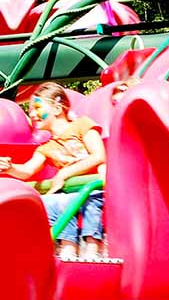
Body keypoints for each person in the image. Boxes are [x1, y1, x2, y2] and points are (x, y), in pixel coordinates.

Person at [0, 82, 106, 259]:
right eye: (30, 110)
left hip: (94, 189)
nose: (32, 114)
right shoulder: (46, 148)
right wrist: (10, 168)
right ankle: (68, 247)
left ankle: (94, 248)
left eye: (37, 108)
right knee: (49, 202)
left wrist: (64, 173)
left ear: (57, 108)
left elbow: (99, 156)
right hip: (71, 196)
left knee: (86, 199)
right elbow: (27, 170)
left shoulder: (82, 125)